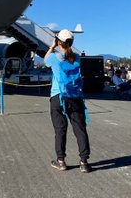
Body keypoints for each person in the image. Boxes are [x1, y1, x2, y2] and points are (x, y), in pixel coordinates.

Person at [46, 29, 92, 173]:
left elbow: (45, 60)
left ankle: (61, 161)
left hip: (58, 96)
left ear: (58, 41)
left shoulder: (54, 57)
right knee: (80, 129)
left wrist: (52, 46)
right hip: (75, 96)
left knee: (60, 129)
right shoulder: (77, 58)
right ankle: (84, 162)